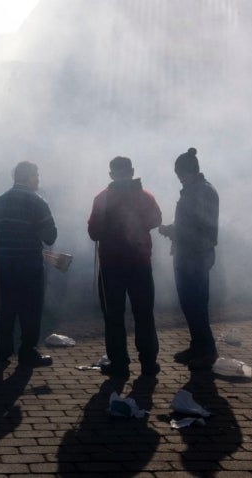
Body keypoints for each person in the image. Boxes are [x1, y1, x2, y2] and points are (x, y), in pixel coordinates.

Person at [88, 156, 162, 378]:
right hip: (140, 264)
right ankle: (148, 363)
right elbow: (156, 220)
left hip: (112, 267)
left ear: (111, 175)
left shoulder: (102, 198)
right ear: (131, 171)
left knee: (114, 316)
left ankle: (119, 365)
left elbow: (93, 232)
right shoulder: (145, 196)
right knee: (144, 315)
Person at [0, 161, 56, 368]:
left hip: (5, 263)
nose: (38, 180)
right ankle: (27, 353)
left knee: (6, 308)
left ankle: (3, 352)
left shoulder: (1, 200)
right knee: (30, 310)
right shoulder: (38, 202)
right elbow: (50, 236)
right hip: (30, 264)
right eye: (36, 175)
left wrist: (4, 237)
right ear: (28, 177)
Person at [158, 147, 219, 370]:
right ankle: (197, 345)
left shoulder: (198, 192)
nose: (179, 180)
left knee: (195, 303)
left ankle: (208, 349)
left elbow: (196, 227)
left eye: (179, 175)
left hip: (195, 255)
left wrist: (171, 231)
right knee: (190, 303)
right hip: (193, 253)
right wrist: (174, 229)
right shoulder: (199, 190)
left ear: (186, 172)